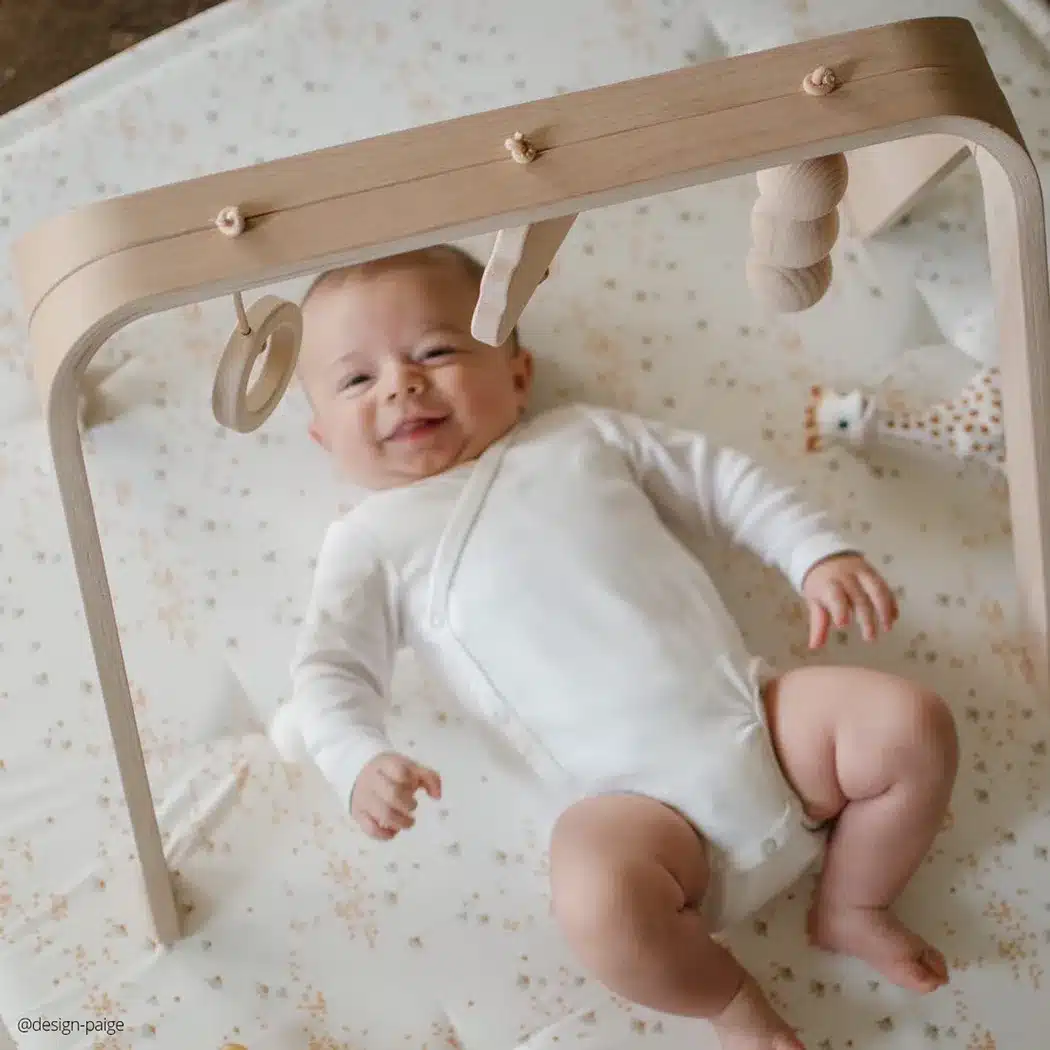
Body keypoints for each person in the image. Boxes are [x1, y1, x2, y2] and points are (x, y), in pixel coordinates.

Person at [281, 244, 959, 1050]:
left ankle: (853, 904)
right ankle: (732, 1008)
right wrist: (356, 756)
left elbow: (720, 480)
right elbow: (329, 670)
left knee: (908, 723)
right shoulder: (369, 542)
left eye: (437, 350)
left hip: (760, 728)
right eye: (358, 379)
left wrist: (813, 552)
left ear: (518, 373)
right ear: (324, 436)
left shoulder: (580, 439)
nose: (401, 383)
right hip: (632, 818)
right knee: (597, 907)